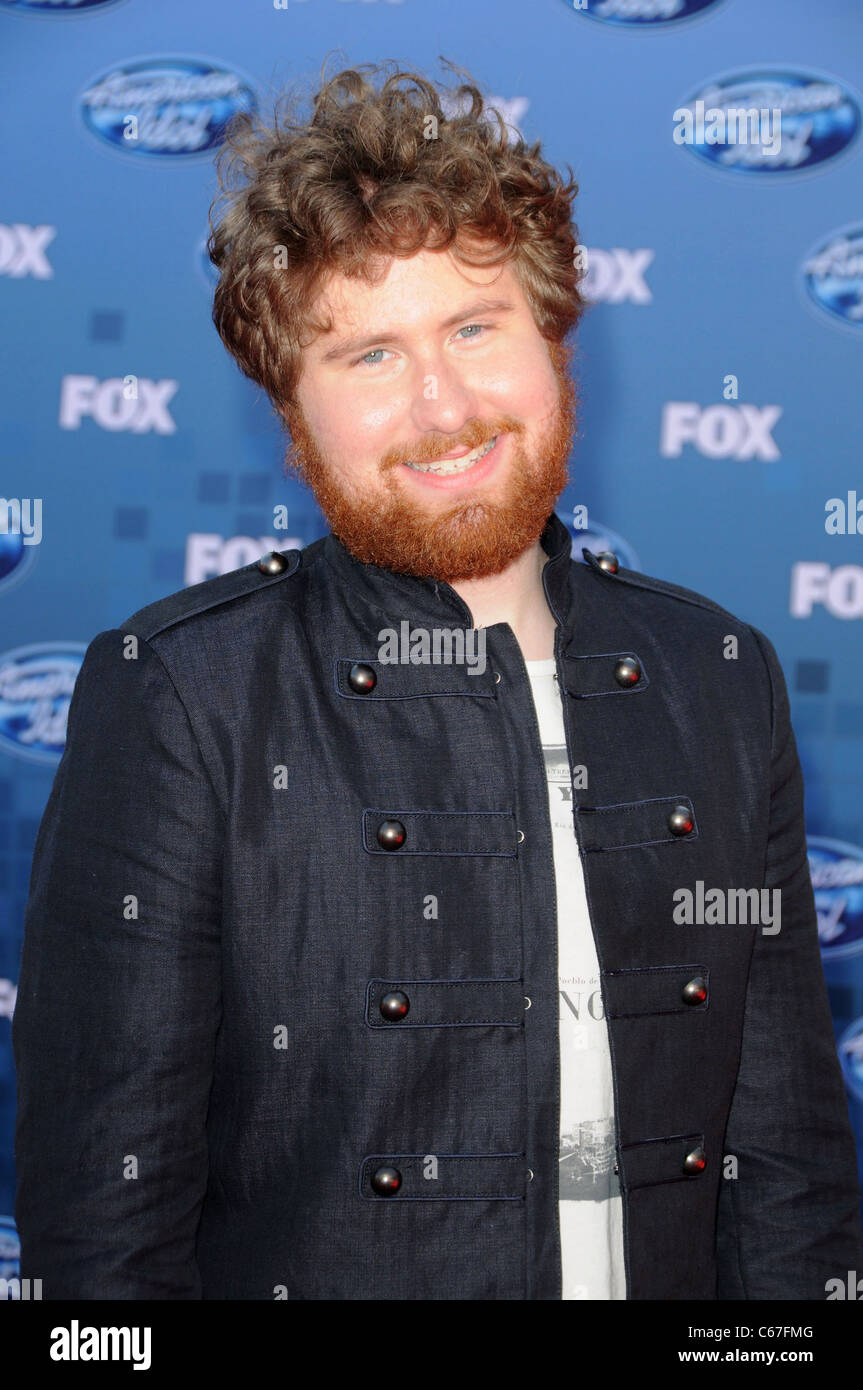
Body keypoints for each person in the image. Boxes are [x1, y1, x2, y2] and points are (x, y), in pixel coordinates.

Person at [13, 58, 862, 1300]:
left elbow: (784, 1181)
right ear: (292, 419)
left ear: (554, 336)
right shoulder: (180, 697)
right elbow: (105, 1243)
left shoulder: (712, 678)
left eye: (474, 327)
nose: (443, 404)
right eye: (366, 356)